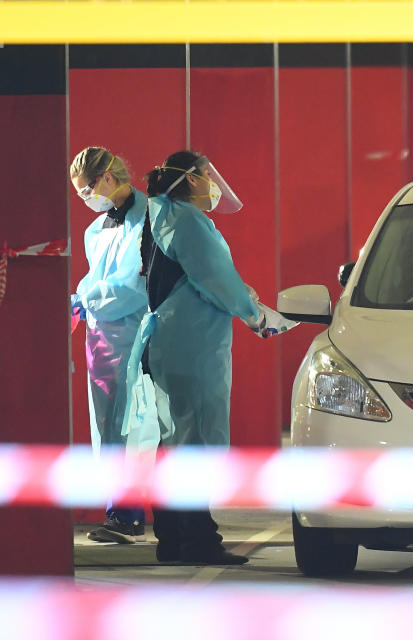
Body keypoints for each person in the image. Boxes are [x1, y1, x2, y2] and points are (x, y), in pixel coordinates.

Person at [131, 150, 263, 565]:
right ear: (189, 179)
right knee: (195, 441)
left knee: (176, 440)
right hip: (192, 344)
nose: (213, 183)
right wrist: (255, 313)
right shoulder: (187, 221)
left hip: (172, 342)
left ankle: (174, 539)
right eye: (207, 175)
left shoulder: (159, 214)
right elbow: (216, 278)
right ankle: (196, 541)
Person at [70, 147, 159, 544]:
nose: (86, 199)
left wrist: (87, 296)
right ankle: (118, 512)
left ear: (107, 177)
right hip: (100, 338)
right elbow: (95, 279)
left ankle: (128, 514)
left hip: (132, 335)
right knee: (107, 427)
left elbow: (133, 287)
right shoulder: (97, 229)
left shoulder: (150, 220)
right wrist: (81, 297)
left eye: (87, 189)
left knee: (132, 426)